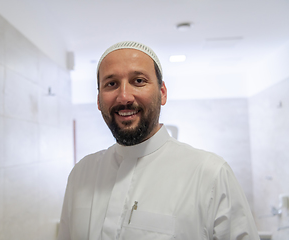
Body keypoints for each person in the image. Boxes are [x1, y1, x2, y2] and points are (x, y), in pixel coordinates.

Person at [57, 41, 260, 240]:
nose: (124, 96)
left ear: (162, 93)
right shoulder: (81, 174)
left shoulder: (210, 174)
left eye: (138, 81)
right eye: (111, 84)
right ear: (99, 100)